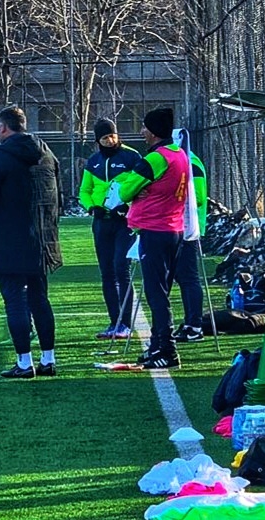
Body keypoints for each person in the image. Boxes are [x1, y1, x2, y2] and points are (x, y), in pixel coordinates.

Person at [0, 106, 63, 379]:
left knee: (15, 301)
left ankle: (24, 362)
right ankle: (48, 359)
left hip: (9, 240)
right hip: (42, 239)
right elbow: (58, 197)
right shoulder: (47, 153)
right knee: (40, 299)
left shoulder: (0, 156)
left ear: (3, 128)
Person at [117, 107, 189, 370]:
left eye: (145, 127)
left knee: (156, 293)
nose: (142, 131)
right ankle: (158, 345)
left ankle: (167, 350)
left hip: (156, 230)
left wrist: (138, 191)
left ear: (154, 131)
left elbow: (125, 191)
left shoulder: (156, 158)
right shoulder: (179, 154)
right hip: (173, 229)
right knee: (161, 291)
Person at [79, 118, 142, 339]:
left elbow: (142, 186)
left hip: (124, 222)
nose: (110, 140)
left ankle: (125, 323)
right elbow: (84, 191)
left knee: (121, 268)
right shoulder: (94, 161)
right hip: (101, 223)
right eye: (105, 137)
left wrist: (127, 206)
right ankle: (114, 322)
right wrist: (91, 207)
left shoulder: (132, 157)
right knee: (107, 272)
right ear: (98, 140)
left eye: (112, 136)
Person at [174, 148, 208, 343]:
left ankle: (195, 325)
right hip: (178, 227)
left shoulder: (191, 163)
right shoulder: (182, 160)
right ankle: (190, 322)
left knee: (189, 277)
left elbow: (199, 197)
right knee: (182, 276)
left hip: (188, 229)